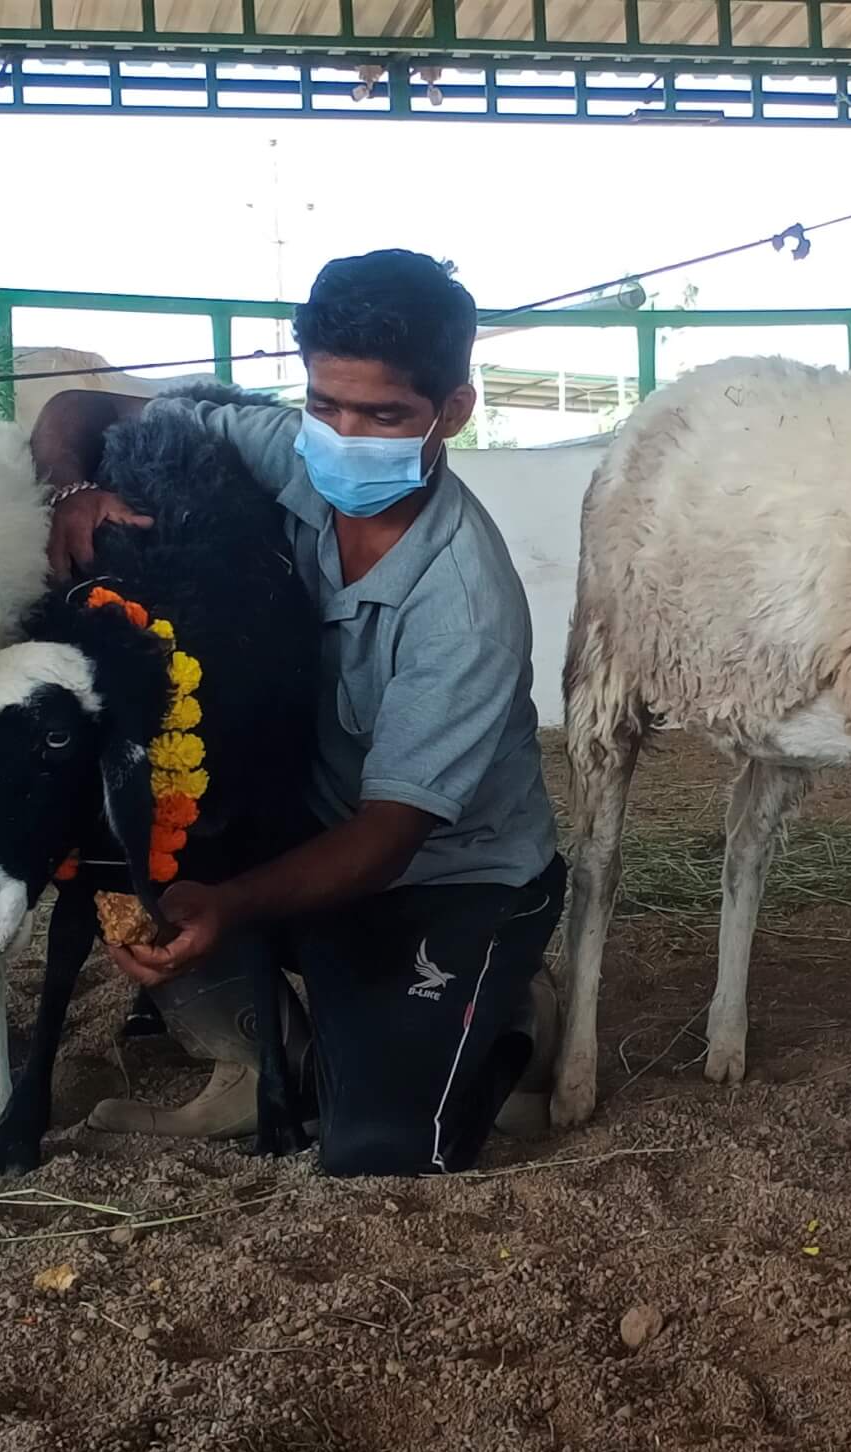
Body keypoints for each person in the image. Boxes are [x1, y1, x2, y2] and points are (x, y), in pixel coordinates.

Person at [34, 249, 564, 1177]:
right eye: (327, 405)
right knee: (145, 825)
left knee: (384, 1145)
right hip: (302, 825)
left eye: (383, 415)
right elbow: (78, 410)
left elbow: (391, 835)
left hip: (444, 869)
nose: (345, 436)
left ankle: (510, 1009)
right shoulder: (291, 452)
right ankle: (256, 1052)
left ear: (453, 411)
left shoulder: (465, 602)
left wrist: (229, 904)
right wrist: (74, 488)